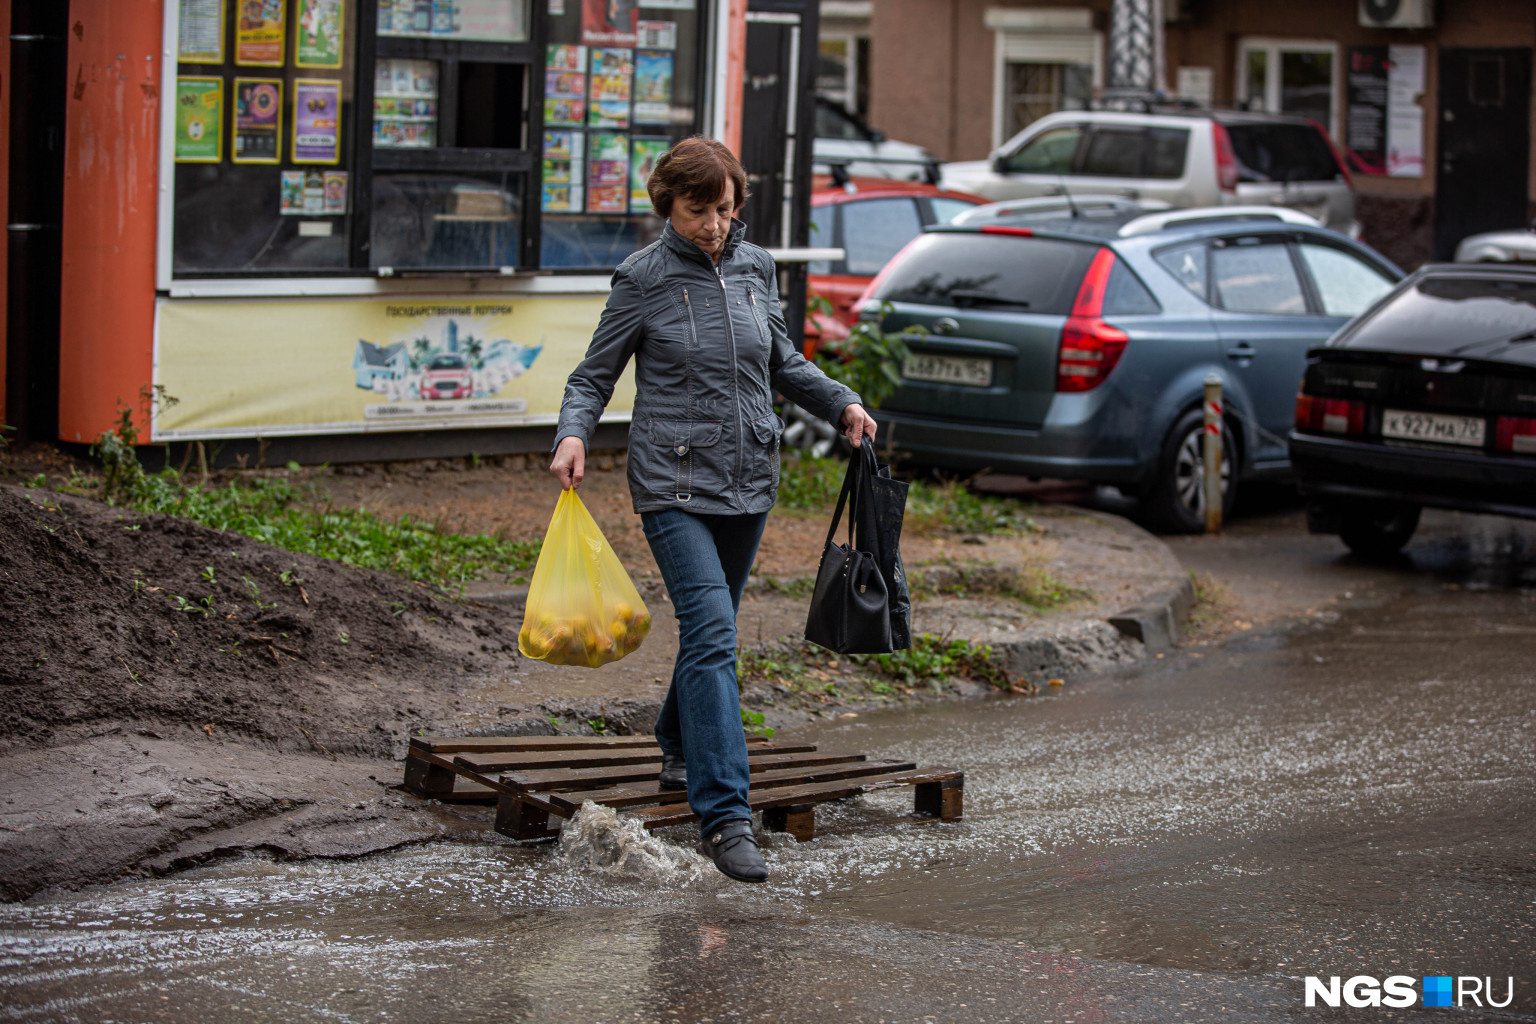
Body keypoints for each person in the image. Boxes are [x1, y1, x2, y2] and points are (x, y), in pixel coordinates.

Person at [550, 137, 876, 883]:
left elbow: (783, 363)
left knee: (712, 629)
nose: (715, 226)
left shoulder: (756, 269)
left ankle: (675, 741)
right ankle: (726, 816)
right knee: (712, 632)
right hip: (673, 483)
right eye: (700, 211)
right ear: (669, 204)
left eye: (726, 210)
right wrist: (573, 434)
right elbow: (592, 376)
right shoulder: (642, 279)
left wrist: (843, 402)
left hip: (749, 476)